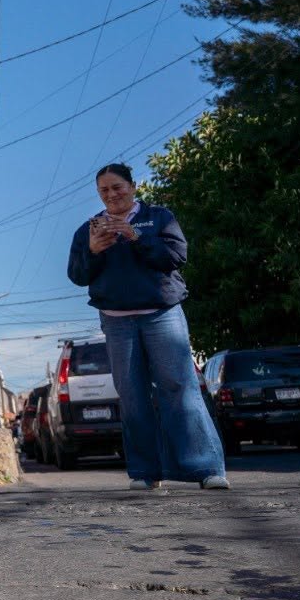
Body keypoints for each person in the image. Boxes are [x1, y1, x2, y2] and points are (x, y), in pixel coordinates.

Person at [67, 162, 228, 491]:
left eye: (117, 187)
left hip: (162, 314)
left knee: (179, 387)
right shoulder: (88, 230)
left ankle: (207, 468)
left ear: (133, 186)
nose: (111, 195)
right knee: (132, 395)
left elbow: (174, 258)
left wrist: (135, 236)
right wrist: (95, 251)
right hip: (116, 322)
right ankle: (144, 472)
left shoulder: (159, 217)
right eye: (104, 191)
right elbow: (78, 275)